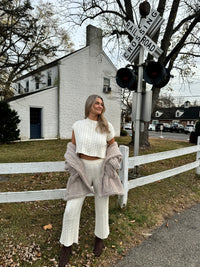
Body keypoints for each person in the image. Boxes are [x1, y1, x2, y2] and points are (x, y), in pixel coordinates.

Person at [59, 94, 124, 266]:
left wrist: (113, 161)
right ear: (89, 105)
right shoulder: (78, 126)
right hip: (82, 170)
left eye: (102, 104)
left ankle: (100, 238)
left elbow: (112, 145)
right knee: (71, 209)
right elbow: (72, 147)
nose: (100, 106)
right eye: (97, 103)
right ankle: (66, 246)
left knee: (102, 207)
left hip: (101, 169)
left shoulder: (106, 126)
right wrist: (71, 162)